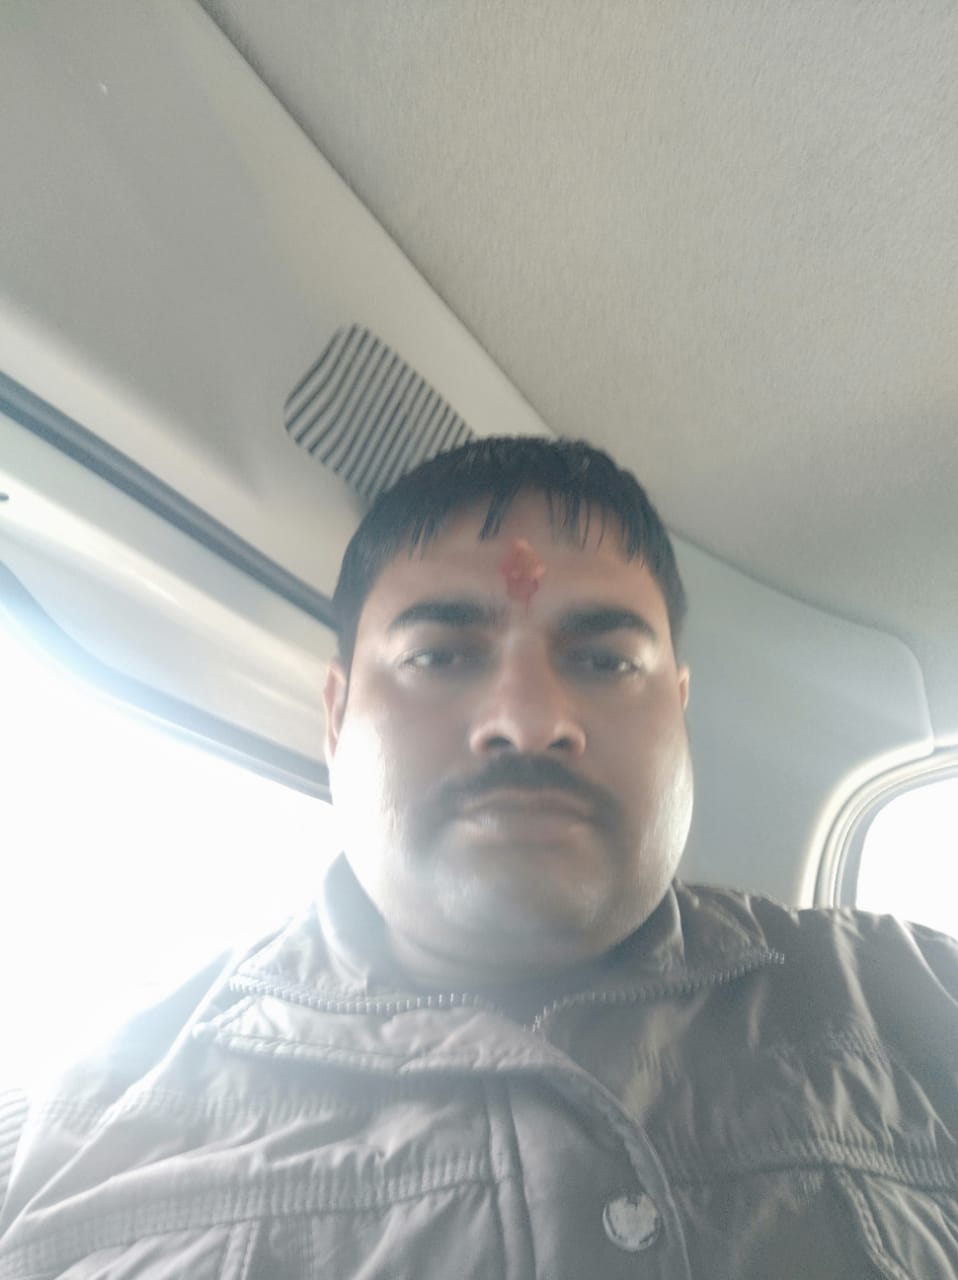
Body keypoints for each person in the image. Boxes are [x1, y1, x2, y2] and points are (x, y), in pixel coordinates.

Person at [0, 437, 955, 1277]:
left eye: (605, 662)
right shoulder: (67, 1130)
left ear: (679, 711)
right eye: (441, 655)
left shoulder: (919, 1001)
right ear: (336, 716)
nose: (529, 722)